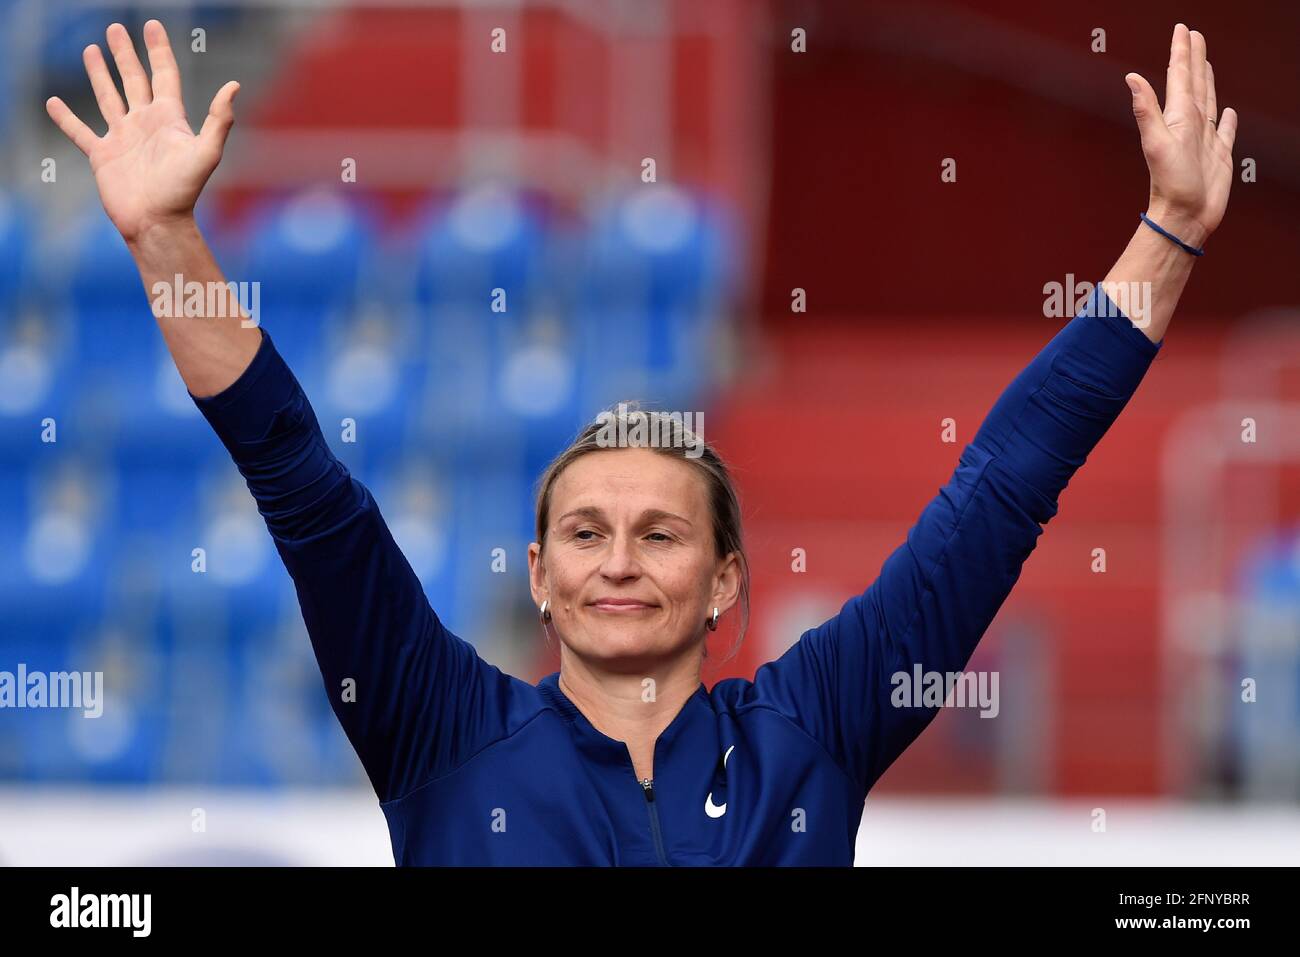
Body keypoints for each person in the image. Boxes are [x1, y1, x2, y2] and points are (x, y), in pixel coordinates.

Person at [46, 20, 1236, 865]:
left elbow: (1003, 486)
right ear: (538, 577)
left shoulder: (811, 735)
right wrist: (165, 240)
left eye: (659, 533)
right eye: (586, 533)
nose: (617, 560)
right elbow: (297, 479)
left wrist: (1169, 231)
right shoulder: (440, 729)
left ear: (726, 581)